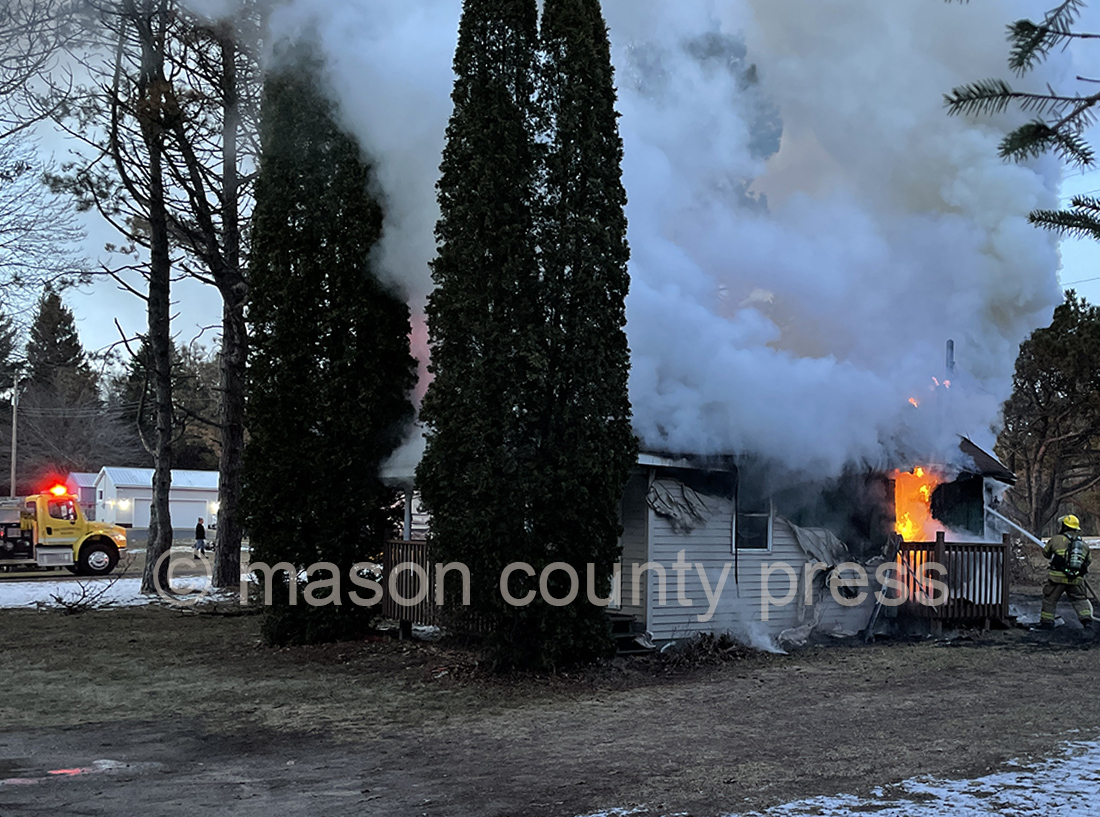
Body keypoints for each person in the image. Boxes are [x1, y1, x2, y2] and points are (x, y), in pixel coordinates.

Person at [1039, 514, 1092, 629]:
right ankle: (1087, 622)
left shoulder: (1056, 539)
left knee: (1050, 600)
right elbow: (1088, 561)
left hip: (1057, 578)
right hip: (1076, 579)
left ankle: (1047, 623)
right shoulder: (1084, 545)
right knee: (1080, 600)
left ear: (1064, 526)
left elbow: (1046, 553)